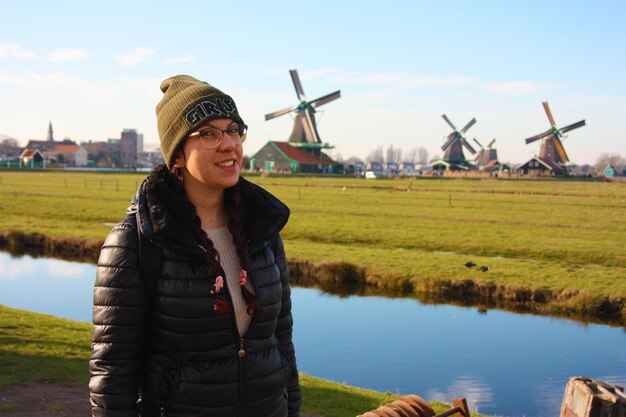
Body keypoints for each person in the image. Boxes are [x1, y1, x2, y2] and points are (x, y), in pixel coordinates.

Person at [89, 75, 301, 417]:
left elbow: (282, 343)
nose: (229, 143)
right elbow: (113, 370)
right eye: (208, 133)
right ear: (176, 155)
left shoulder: (263, 231)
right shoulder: (137, 241)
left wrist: (291, 409)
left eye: (234, 129)